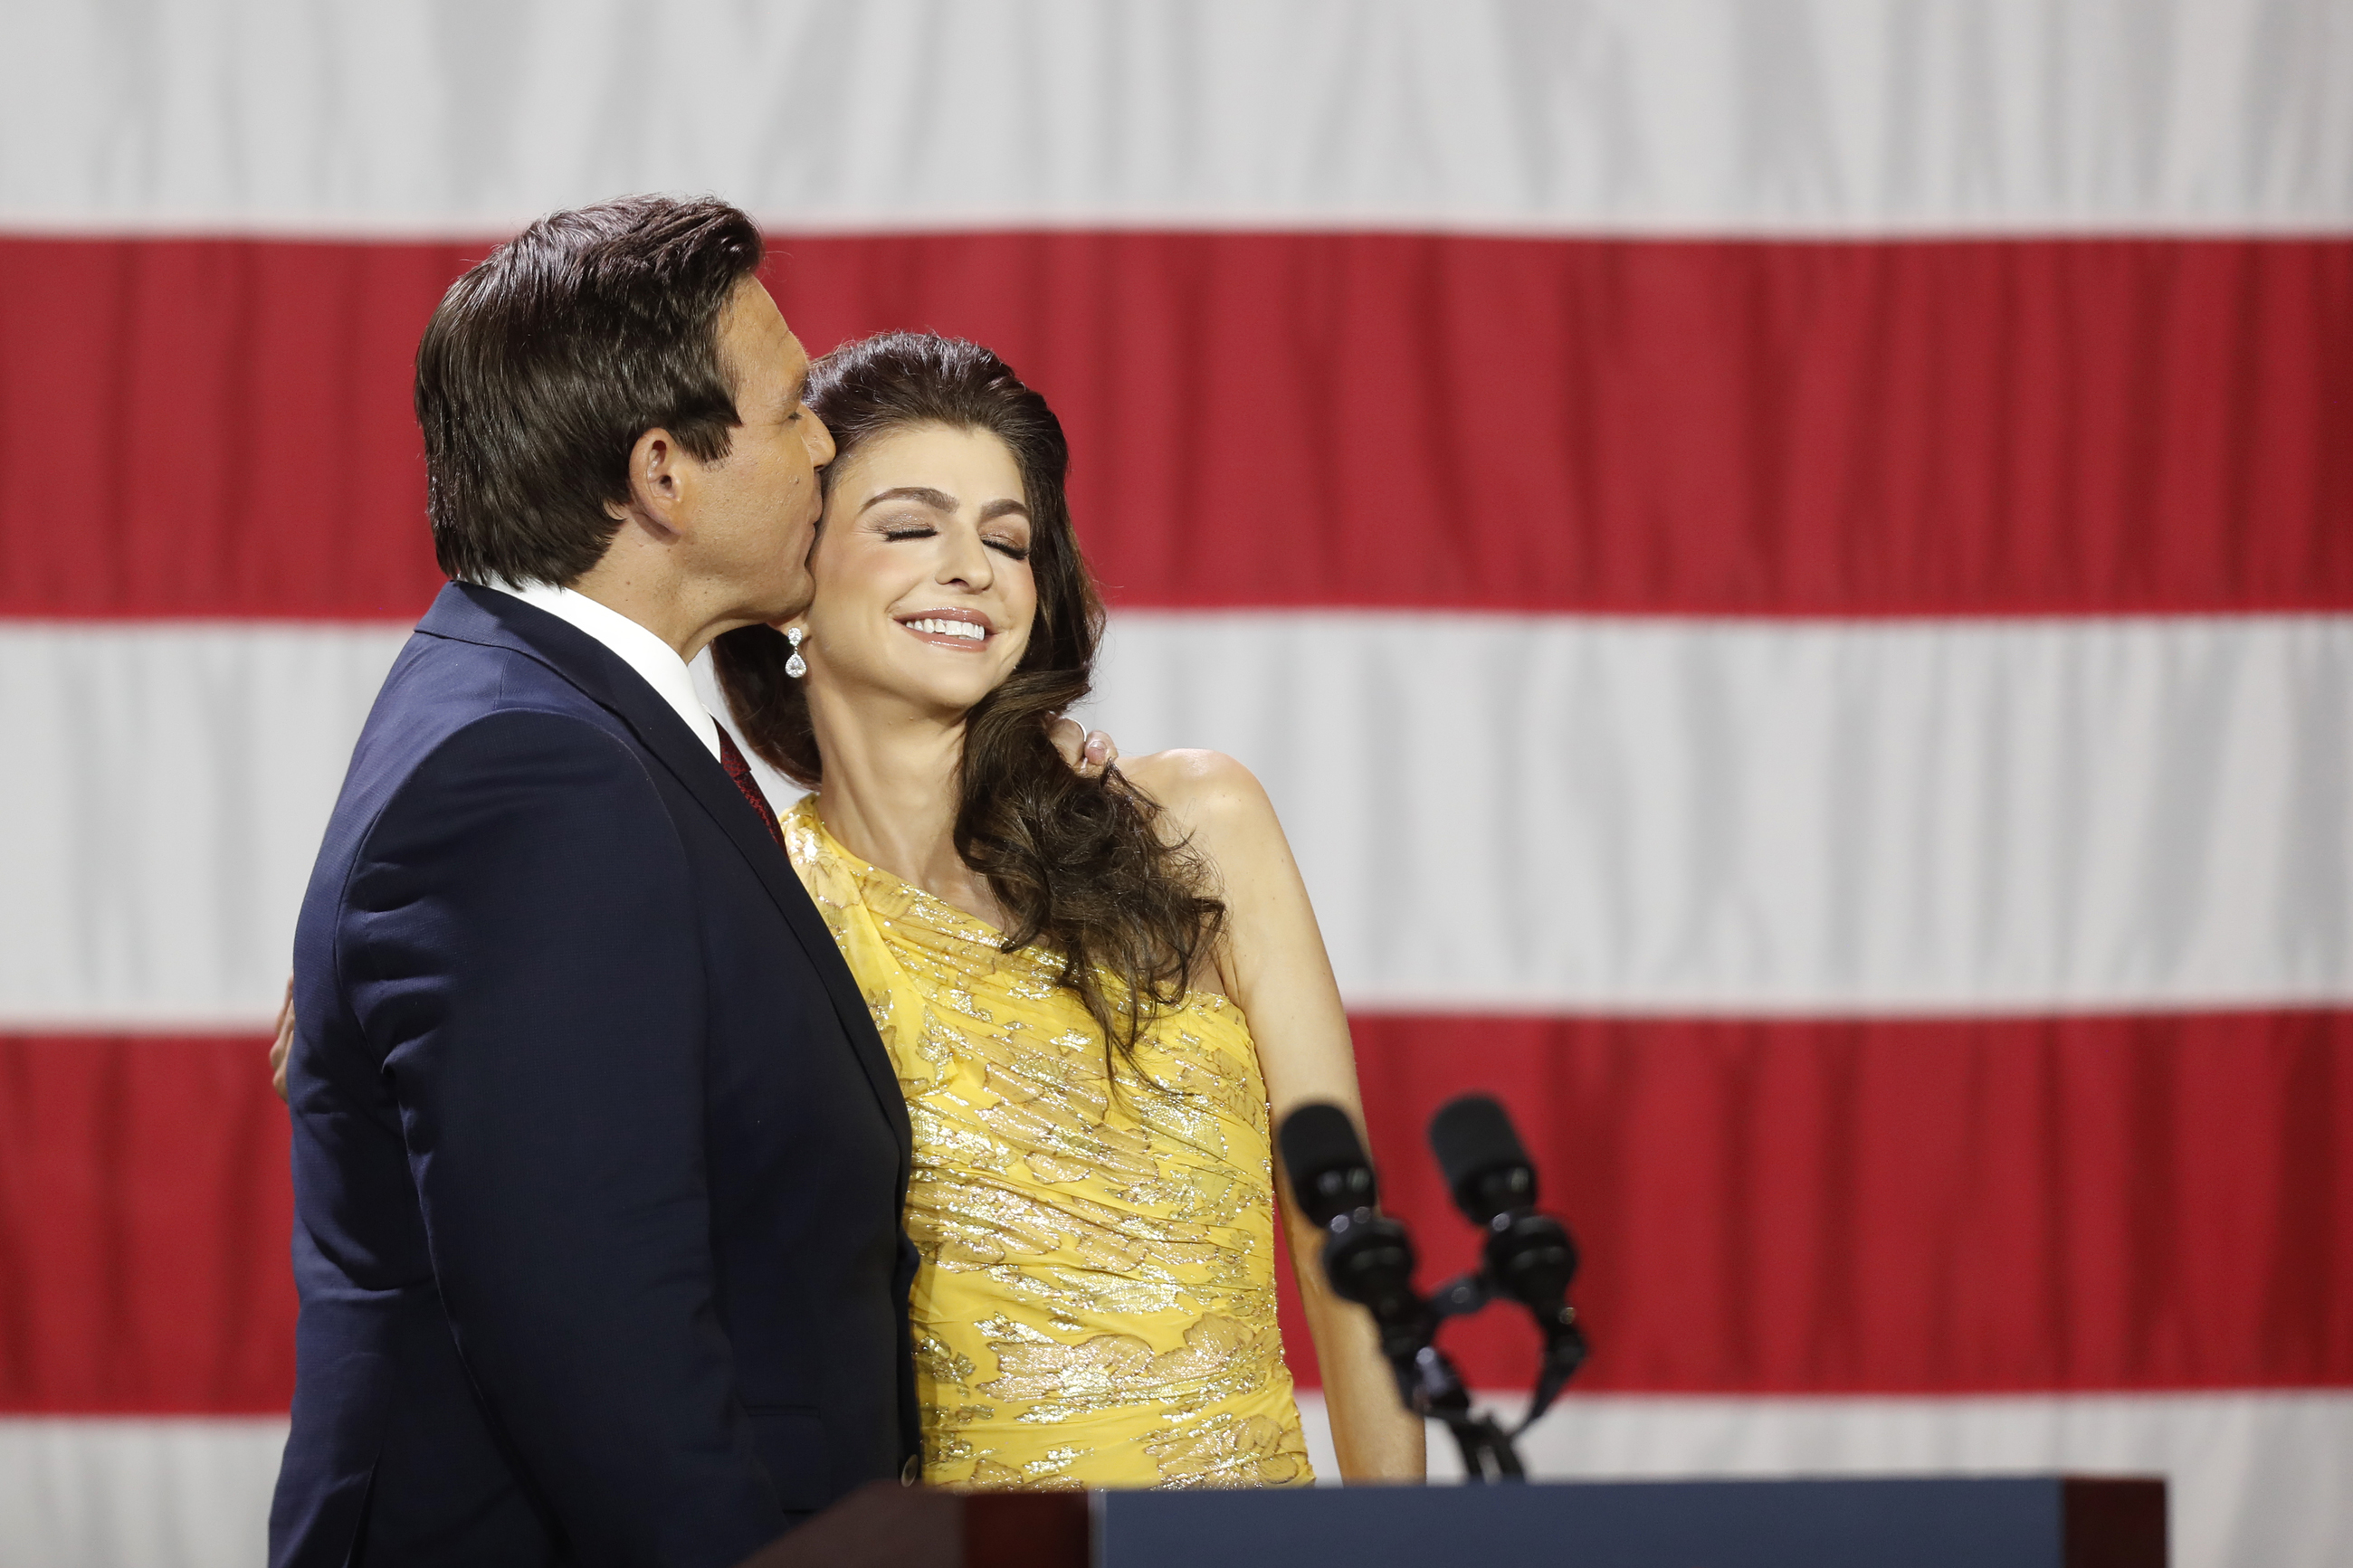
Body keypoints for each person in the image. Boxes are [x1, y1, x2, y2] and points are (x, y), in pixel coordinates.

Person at [267, 198, 1126, 1568]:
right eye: (793, 410)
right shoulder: (532, 779)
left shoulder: (560, 725)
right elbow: (599, 1333)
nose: (826, 443)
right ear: (662, 472)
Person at [711, 333, 1428, 1489]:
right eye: (909, 526)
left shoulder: (1195, 822)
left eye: (1007, 537)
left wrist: (1396, 1542)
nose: (972, 567)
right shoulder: (757, 905)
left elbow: (1341, 1233)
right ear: (794, 579)